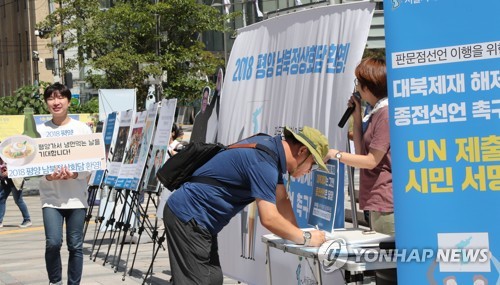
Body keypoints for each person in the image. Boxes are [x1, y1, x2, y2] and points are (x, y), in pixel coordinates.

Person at [164, 126, 329, 284]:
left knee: (213, 279)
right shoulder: (264, 163)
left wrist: (298, 236)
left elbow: (282, 199)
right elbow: (269, 219)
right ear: (302, 151)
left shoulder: (269, 148)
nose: (309, 171)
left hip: (198, 220)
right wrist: (306, 238)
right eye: (313, 164)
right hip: (188, 216)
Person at [324, 57, 394, 236]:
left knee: (388, 261)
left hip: (386, 201)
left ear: (367, 87)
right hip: (376, 199)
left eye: (358, 82)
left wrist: (336, 154)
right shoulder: (375, 111)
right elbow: (361, 150)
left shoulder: (385, 114)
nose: (356, 87)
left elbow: (371, 161)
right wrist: (357, 117)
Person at [37, 83, 93, 285]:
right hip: (51, 198)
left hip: (77, 198)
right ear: (46, 103)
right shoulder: (39, 131)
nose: (56, 102)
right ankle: (55, 282)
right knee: (53, 243)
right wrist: (48, 177)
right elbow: (33, 166)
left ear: (69, 101)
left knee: (75, 245)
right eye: (51, 98)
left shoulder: (81, 129)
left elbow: (91, 163)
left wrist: (76, 174)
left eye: (60, 97)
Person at [0, 157, 32, 228]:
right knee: (1, 199)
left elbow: (19, 165)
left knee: (18, 200)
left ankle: (27, 220)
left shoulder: (11, 154)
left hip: (15, 179)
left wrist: (10, 172)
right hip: (5, 180)